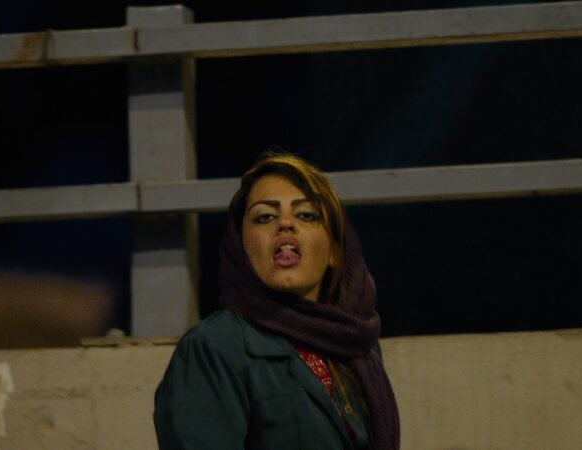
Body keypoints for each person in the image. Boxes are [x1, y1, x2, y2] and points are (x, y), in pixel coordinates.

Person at [154, 151, 400, 450]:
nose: (285, 223)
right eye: (265, 217)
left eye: (306, 215)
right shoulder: (213, 348)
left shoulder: (358, 346)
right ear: (241, 249)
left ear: (335, 251)